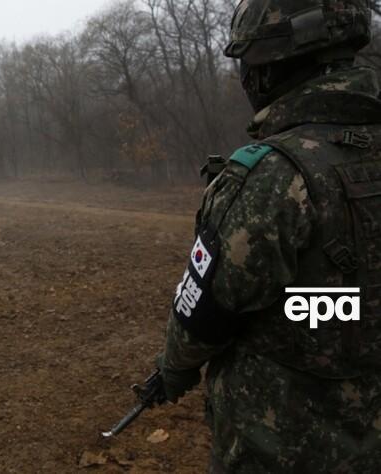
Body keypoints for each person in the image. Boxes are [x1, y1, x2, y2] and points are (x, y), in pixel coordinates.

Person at [155, 0, 381, 472]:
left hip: (286, 446)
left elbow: (205, 314)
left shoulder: (272, 175)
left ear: (271, 67)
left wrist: (172, 372)